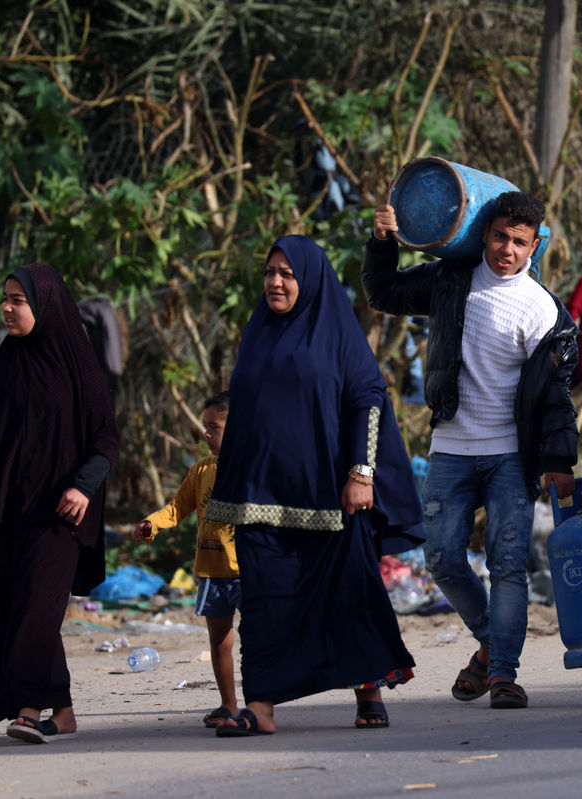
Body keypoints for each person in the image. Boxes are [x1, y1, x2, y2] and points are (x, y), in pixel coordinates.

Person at [362, 191, 579, 710]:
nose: (507, 248)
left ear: (535, 246)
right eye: (500, 236)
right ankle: (490, 642)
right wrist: (382, 242)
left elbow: (555, 396)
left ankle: (503, 674)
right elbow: (384, 292)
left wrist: (559, 462)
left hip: (511, 456)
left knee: (507, 565)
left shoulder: (545, 311)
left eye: (519, 242)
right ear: (485, 232)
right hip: (452, 448)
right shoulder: (450, 280)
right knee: (439, 555)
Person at [205, 235, 424, 737]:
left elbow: (368, 397)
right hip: (259, 496)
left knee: (348, 596)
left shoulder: (336, 334)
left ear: (310, 279)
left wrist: (360, 473)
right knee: (263, 602)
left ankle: (367, 687)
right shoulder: (257, 331)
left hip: (330, 498)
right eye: (269, 272)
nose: (276, 282)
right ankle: (260, 707)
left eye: (287, 273)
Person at [0, 263, 120, 743]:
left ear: (44, 306)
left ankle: (26, 708)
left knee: (37, 609)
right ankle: (61, 712)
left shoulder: (77, 364)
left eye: (18, 301)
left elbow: (106, 440)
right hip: (6, 514)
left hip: (59, 517)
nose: (7, 308)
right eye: (6, 298)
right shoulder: (3, 363)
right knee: (24, 608)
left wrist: (83, 486)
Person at [133, 391, 239, 730]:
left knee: (261, 638)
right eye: (204, 426)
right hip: (212, 570)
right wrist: (154, 522)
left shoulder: (255, 467)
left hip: (252, 569)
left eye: (214, 427)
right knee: (219, 640)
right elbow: (178, 508)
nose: (206, 434)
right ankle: (229, 704)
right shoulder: (201, 470)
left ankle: (261, 702)